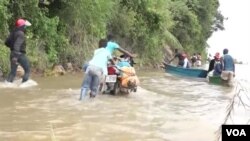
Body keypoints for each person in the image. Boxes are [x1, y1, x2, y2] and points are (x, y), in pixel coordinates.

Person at [4, 18, 32, 83]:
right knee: (27, 70)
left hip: (12, 54)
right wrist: (16, 57)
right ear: (22, 26)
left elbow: (6, 43)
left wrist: (13, 50)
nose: (25, 27)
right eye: (24, 26)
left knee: (12, 72)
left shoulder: (13, 33)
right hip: (19, 55)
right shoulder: (21, 34)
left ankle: (7, 85)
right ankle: (24, 85)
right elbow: (17, 45)